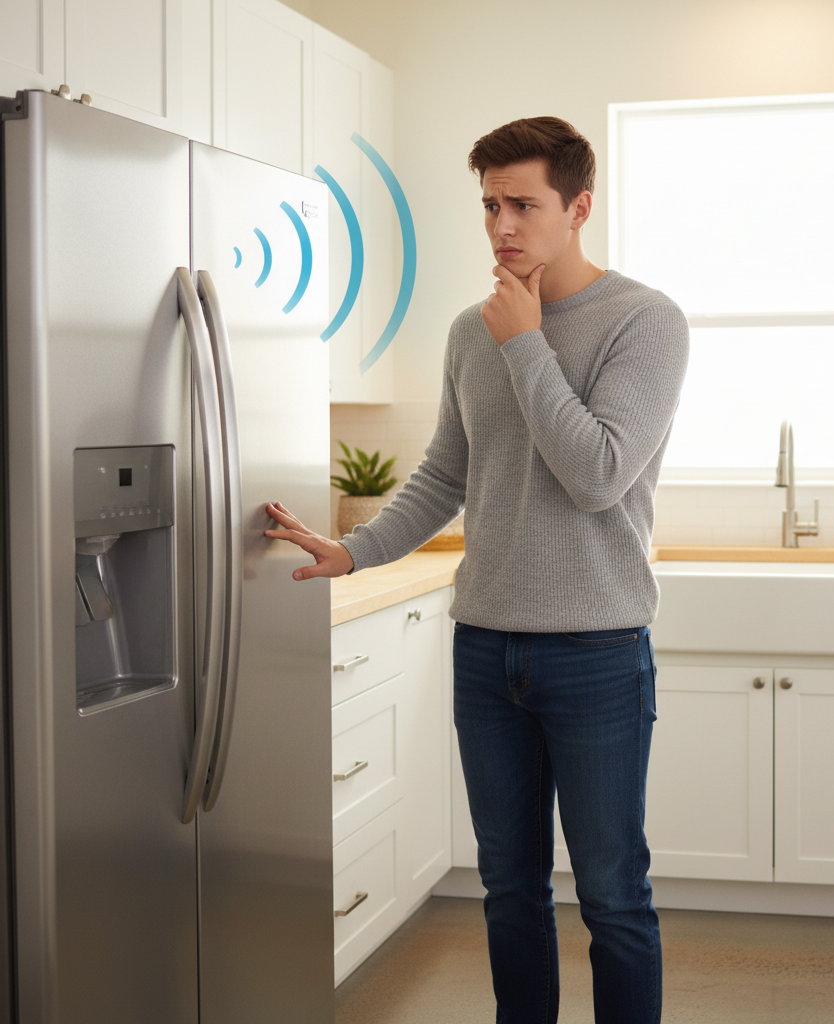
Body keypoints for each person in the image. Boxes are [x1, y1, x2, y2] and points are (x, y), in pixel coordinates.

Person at [265, 115, 688, 1024]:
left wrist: (525, 341)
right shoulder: (473, 330)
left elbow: (599, 475)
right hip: (487, 650)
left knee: (613, 893)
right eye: (490, 204)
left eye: (524, 204)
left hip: (597, 652)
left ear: (578, 207)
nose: (503, 225)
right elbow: (445, 476)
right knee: (508, 890)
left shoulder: (644, 321)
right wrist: (355, 549)